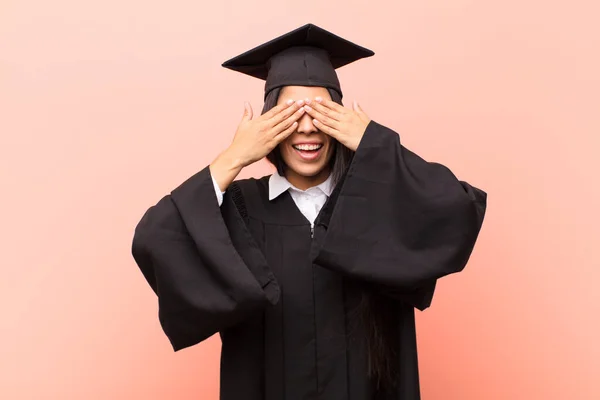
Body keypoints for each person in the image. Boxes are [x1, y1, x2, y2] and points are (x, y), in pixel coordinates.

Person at [131, 23, 487, 400]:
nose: (306, 128)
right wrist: (234, 156)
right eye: (289, 114)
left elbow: (459, 210)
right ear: (268, 123)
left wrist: (375, 146)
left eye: (320, 112)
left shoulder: (377, 203)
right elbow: (156, 238)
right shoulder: (239, 207)